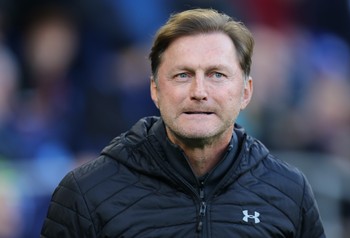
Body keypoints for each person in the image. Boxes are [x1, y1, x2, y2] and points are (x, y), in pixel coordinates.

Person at [41, 8, 325, 237]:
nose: (199, 92)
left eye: (217, 75)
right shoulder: (87, 193)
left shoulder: (289, 192)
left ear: (246, 92)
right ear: (155, 89)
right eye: (182, 75)